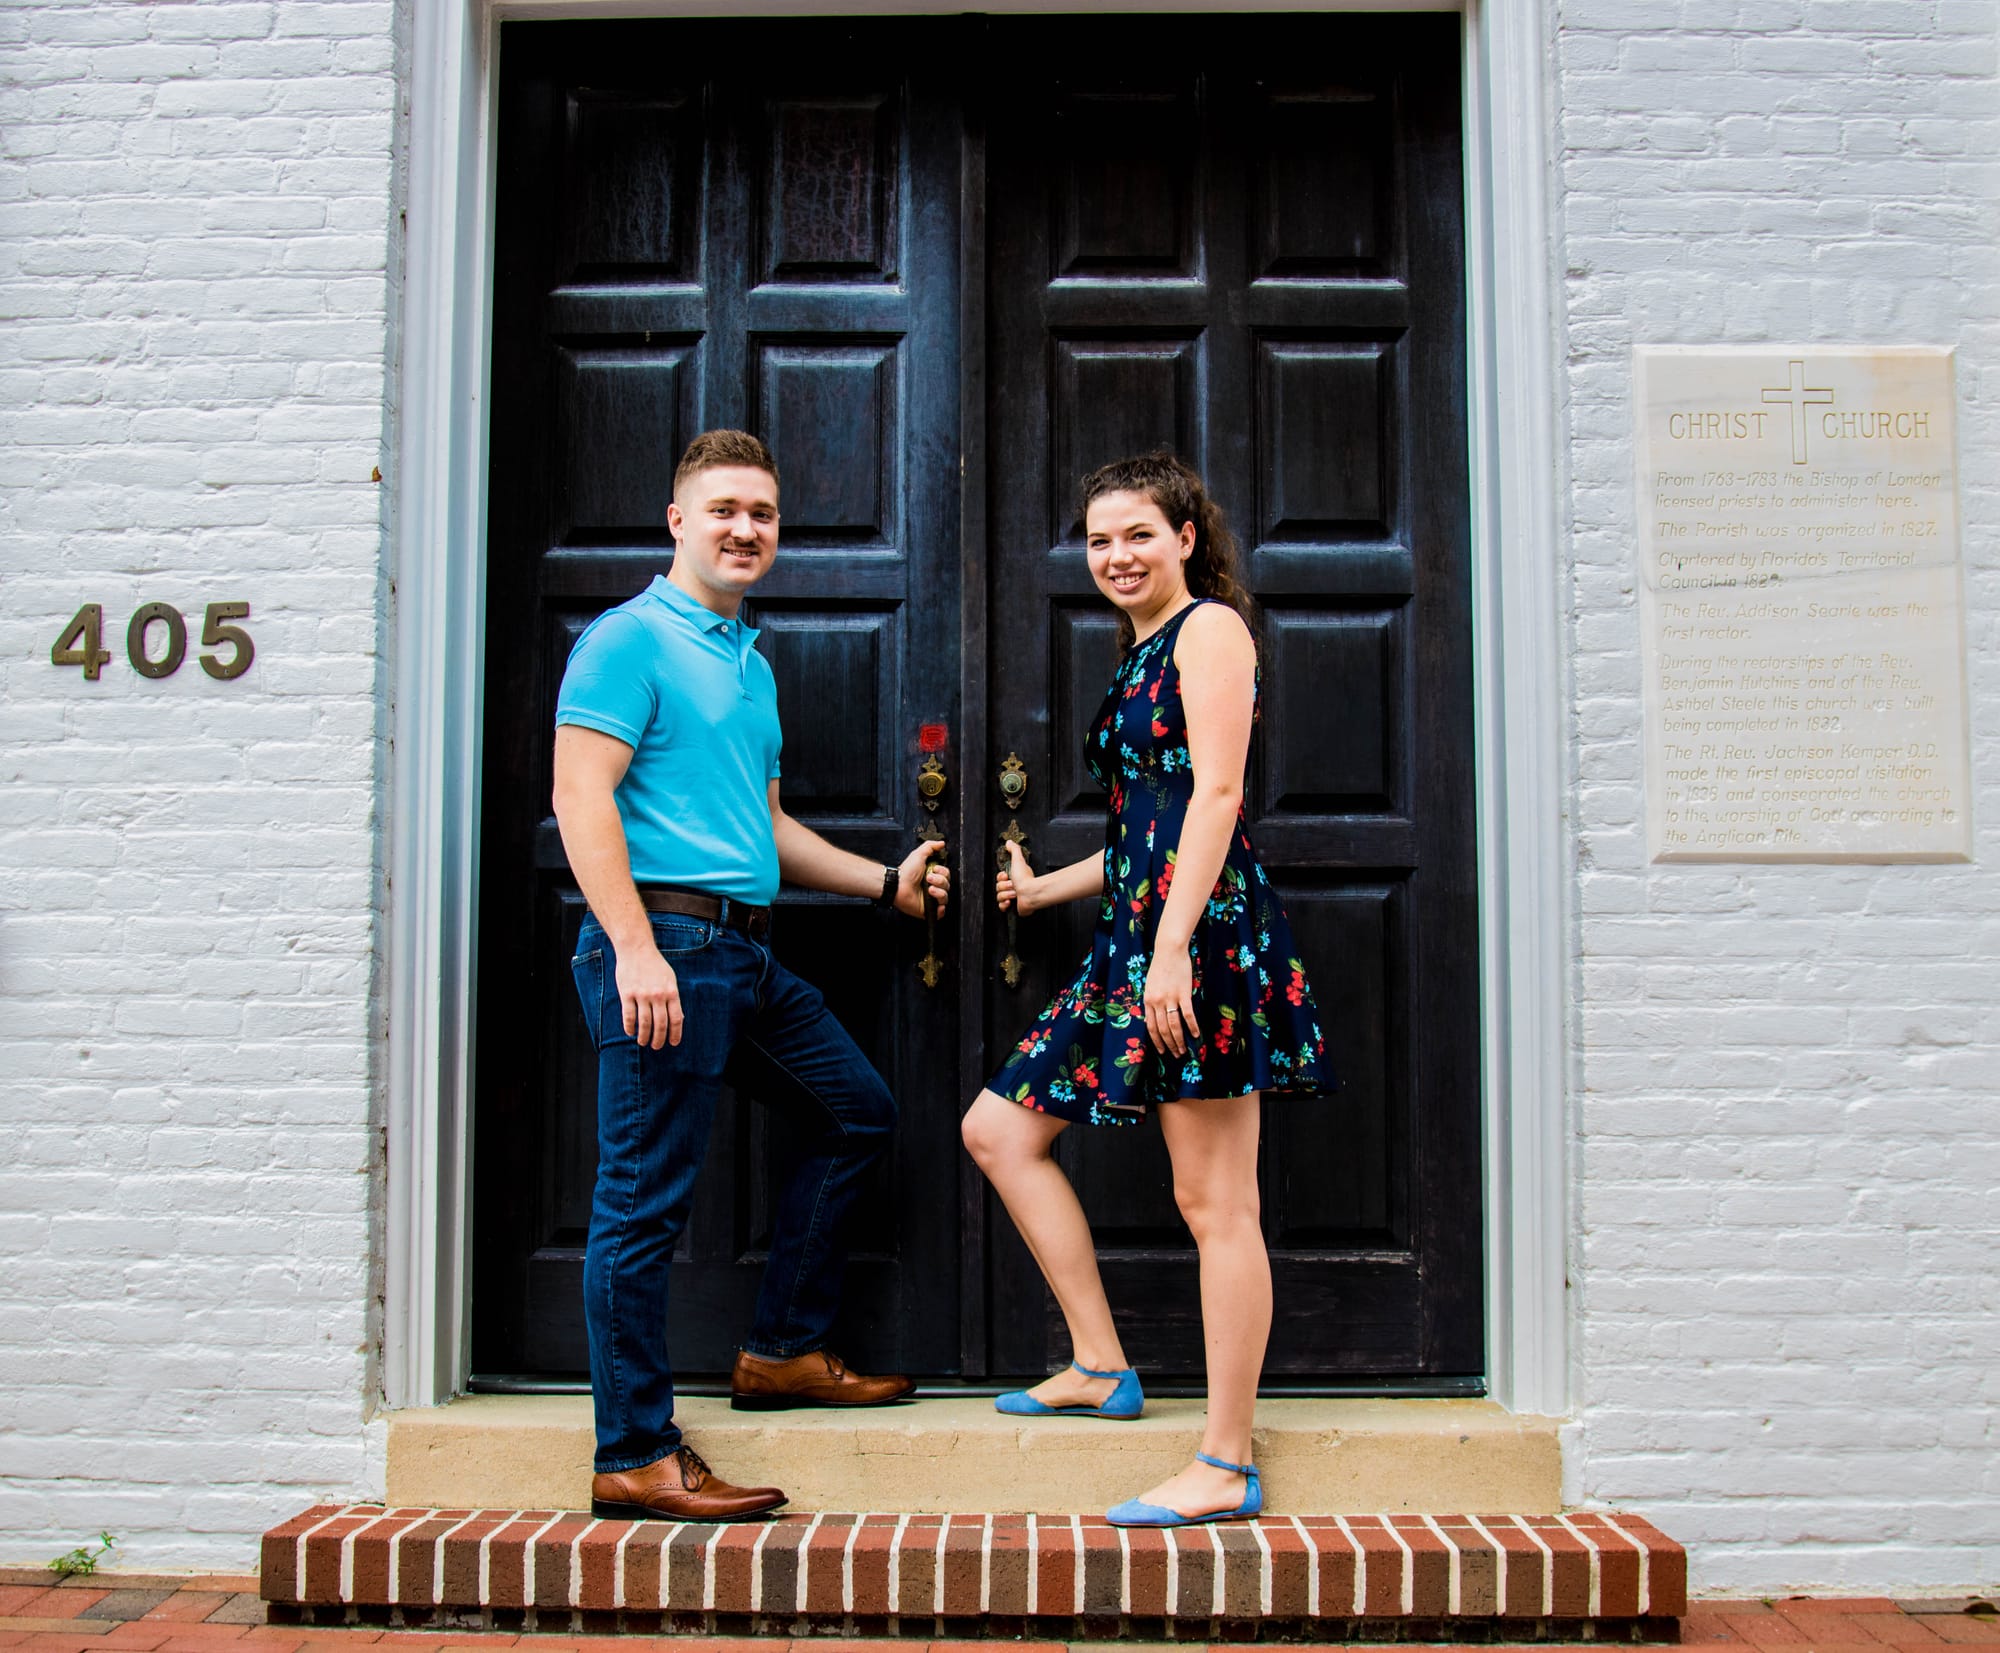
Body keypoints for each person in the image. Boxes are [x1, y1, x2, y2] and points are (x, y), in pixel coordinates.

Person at [553, 429, 951, 1523]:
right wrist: (634, 948)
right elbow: (581, 798)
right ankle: (633, 1450)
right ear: (677, 520)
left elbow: (766, 829)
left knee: (854, 1111)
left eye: (763, 514)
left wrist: (884, 884)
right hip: (665, 945)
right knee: (640, 1202)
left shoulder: (751, 664)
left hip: (740, 953)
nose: (745, 529)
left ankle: (781, 1351)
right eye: (724, 509)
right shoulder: (627, 641)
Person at [960, 451, 1332, 1528]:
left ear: (1184, 538)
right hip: (1138, 936)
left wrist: (1170, 949)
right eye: (1099, 539)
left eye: (1138, 534)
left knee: (1216, 1204)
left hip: (1195, 941)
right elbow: (1145, 826)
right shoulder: (1139, 653)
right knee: (999, 1130)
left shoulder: (1209, 630)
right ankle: (1099, 1363)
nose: (1116, 555)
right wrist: (1047, 889)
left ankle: (1224, 1462)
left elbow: (1216, 796)